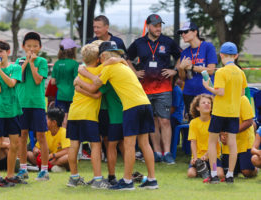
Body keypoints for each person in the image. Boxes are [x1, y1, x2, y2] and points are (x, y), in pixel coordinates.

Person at [76, 41, 158, 190]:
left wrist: (79, 80)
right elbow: (120, 60)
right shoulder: (123, 65)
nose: (100, 62)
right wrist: (119, 59)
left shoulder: (109, 66)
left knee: (129, 145)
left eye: (100, 58)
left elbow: (94, 87)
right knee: (144, 143)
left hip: (132, 107)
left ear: (104, 56)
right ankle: (152, 180)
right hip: (145, 104)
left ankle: (127, 181)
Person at [127, 14, 181, 164]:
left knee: (164, 120)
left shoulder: (168, 42)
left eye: (160, 25)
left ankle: (168, 153)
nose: (158, 28)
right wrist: (134, 72)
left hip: (164, 88)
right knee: (152, 121)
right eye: (156, 25)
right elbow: (125, 57)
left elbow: (181, 56)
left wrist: (175, 71)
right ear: (148, 26)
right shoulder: (139, 43)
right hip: (144, 89)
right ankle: (156, 152)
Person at [74, 42, 125, 186]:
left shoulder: (107, 70)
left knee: (110, 144)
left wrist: (79, 85)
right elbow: (81, 68)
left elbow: (93, 91)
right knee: (104, 144)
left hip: (109, 112)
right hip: (100, 111)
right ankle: (103, 177)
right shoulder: (98, 69)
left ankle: (111, 177)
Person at [202, 42, 247, 184]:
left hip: (219, 112)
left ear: (221, 55)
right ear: (236, 56)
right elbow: (242, 93)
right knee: (232, 144)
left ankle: (214, 173)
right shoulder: (241, 72)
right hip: (233, 113)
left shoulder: (221, 72)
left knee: (212, 142)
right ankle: (230, 175)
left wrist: (208, 87)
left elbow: (220, 92)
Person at [66, 43, 110, 189]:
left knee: (74, 145)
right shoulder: (100, 69)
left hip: (74, 112)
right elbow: (97, 94)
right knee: (95, 145)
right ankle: (98, 180)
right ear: (98, 59)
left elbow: (79, 84)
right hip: (88, 114)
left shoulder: (81, 71)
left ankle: (73, 178)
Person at [0, 39, 24, 187]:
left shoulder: (15, 68)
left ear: (7, 52)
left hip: (13, 111)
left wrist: (0, 70)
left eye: (0, 52)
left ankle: (10, 175)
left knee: (14, 144)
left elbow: (11, 83)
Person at [15, 32, 50, 181]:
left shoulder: (42, 62)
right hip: (21, 104)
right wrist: (25, 62)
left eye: (35, 46)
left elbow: (37, 80)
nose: (32, 49)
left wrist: (31, 63)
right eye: (28, 46)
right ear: (23, 47)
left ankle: (44, 170)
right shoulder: (18, 61)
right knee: (22, 136)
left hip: (37, 104)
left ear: (40, 47)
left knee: (41, 136)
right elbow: (16, 78)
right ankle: (23, 169)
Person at [177, 22, 218, 120]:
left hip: (206, 92)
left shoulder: (208, 47)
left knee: (209, 123)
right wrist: (181, 68)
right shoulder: (185, 52)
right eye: (181, 33)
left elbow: (211, 70)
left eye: (185, 32)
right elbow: (182, 78)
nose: (183, 35)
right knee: (193, 124)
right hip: (189, 93)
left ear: (195, 32)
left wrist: (192, 67)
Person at [187, 94, 224, 179]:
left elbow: (215, 142)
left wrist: (207, 155)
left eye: (209, 103)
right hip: (199, 158)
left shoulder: (215, 121)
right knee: (191, 174)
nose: (207, 104)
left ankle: (209, 170)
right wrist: (195, 158)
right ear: (197, 108)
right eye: (203, 103)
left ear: (212, 107)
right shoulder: (193, 123)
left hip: (213, 157)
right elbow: (193, 142)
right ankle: (203, 170)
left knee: (220, 174)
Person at [220, 96, 257, 178]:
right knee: (229, 173)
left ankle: (255, 167)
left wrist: (231, 132)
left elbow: (249, 121)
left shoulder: (243, 99)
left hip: (245, 142)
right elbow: (217, 121)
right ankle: (241, 165)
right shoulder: (219, 100)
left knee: (246, 172)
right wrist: (221, 135)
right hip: (228, 144)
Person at [27, 107, 70, 172]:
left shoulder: (64, 132)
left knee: (68, 157)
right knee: (28, 154)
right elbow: (36, 147)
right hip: (47, 159)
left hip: (57, 158)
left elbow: (67, 151)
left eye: (46, 119)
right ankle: (51, 166)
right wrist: (36, 150)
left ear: (54, 122)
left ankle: (47, 166)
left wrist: (52, 155)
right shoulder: (45, 132)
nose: (44, 121)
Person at [51, 38, 80, 128]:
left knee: (62, 118)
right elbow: (77, 81)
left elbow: (52, 82)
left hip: (60, 95)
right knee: (71, 118)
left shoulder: (57, 63)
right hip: (72, 95)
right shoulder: (75, 64)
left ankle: (63, 138)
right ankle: (69, 139)